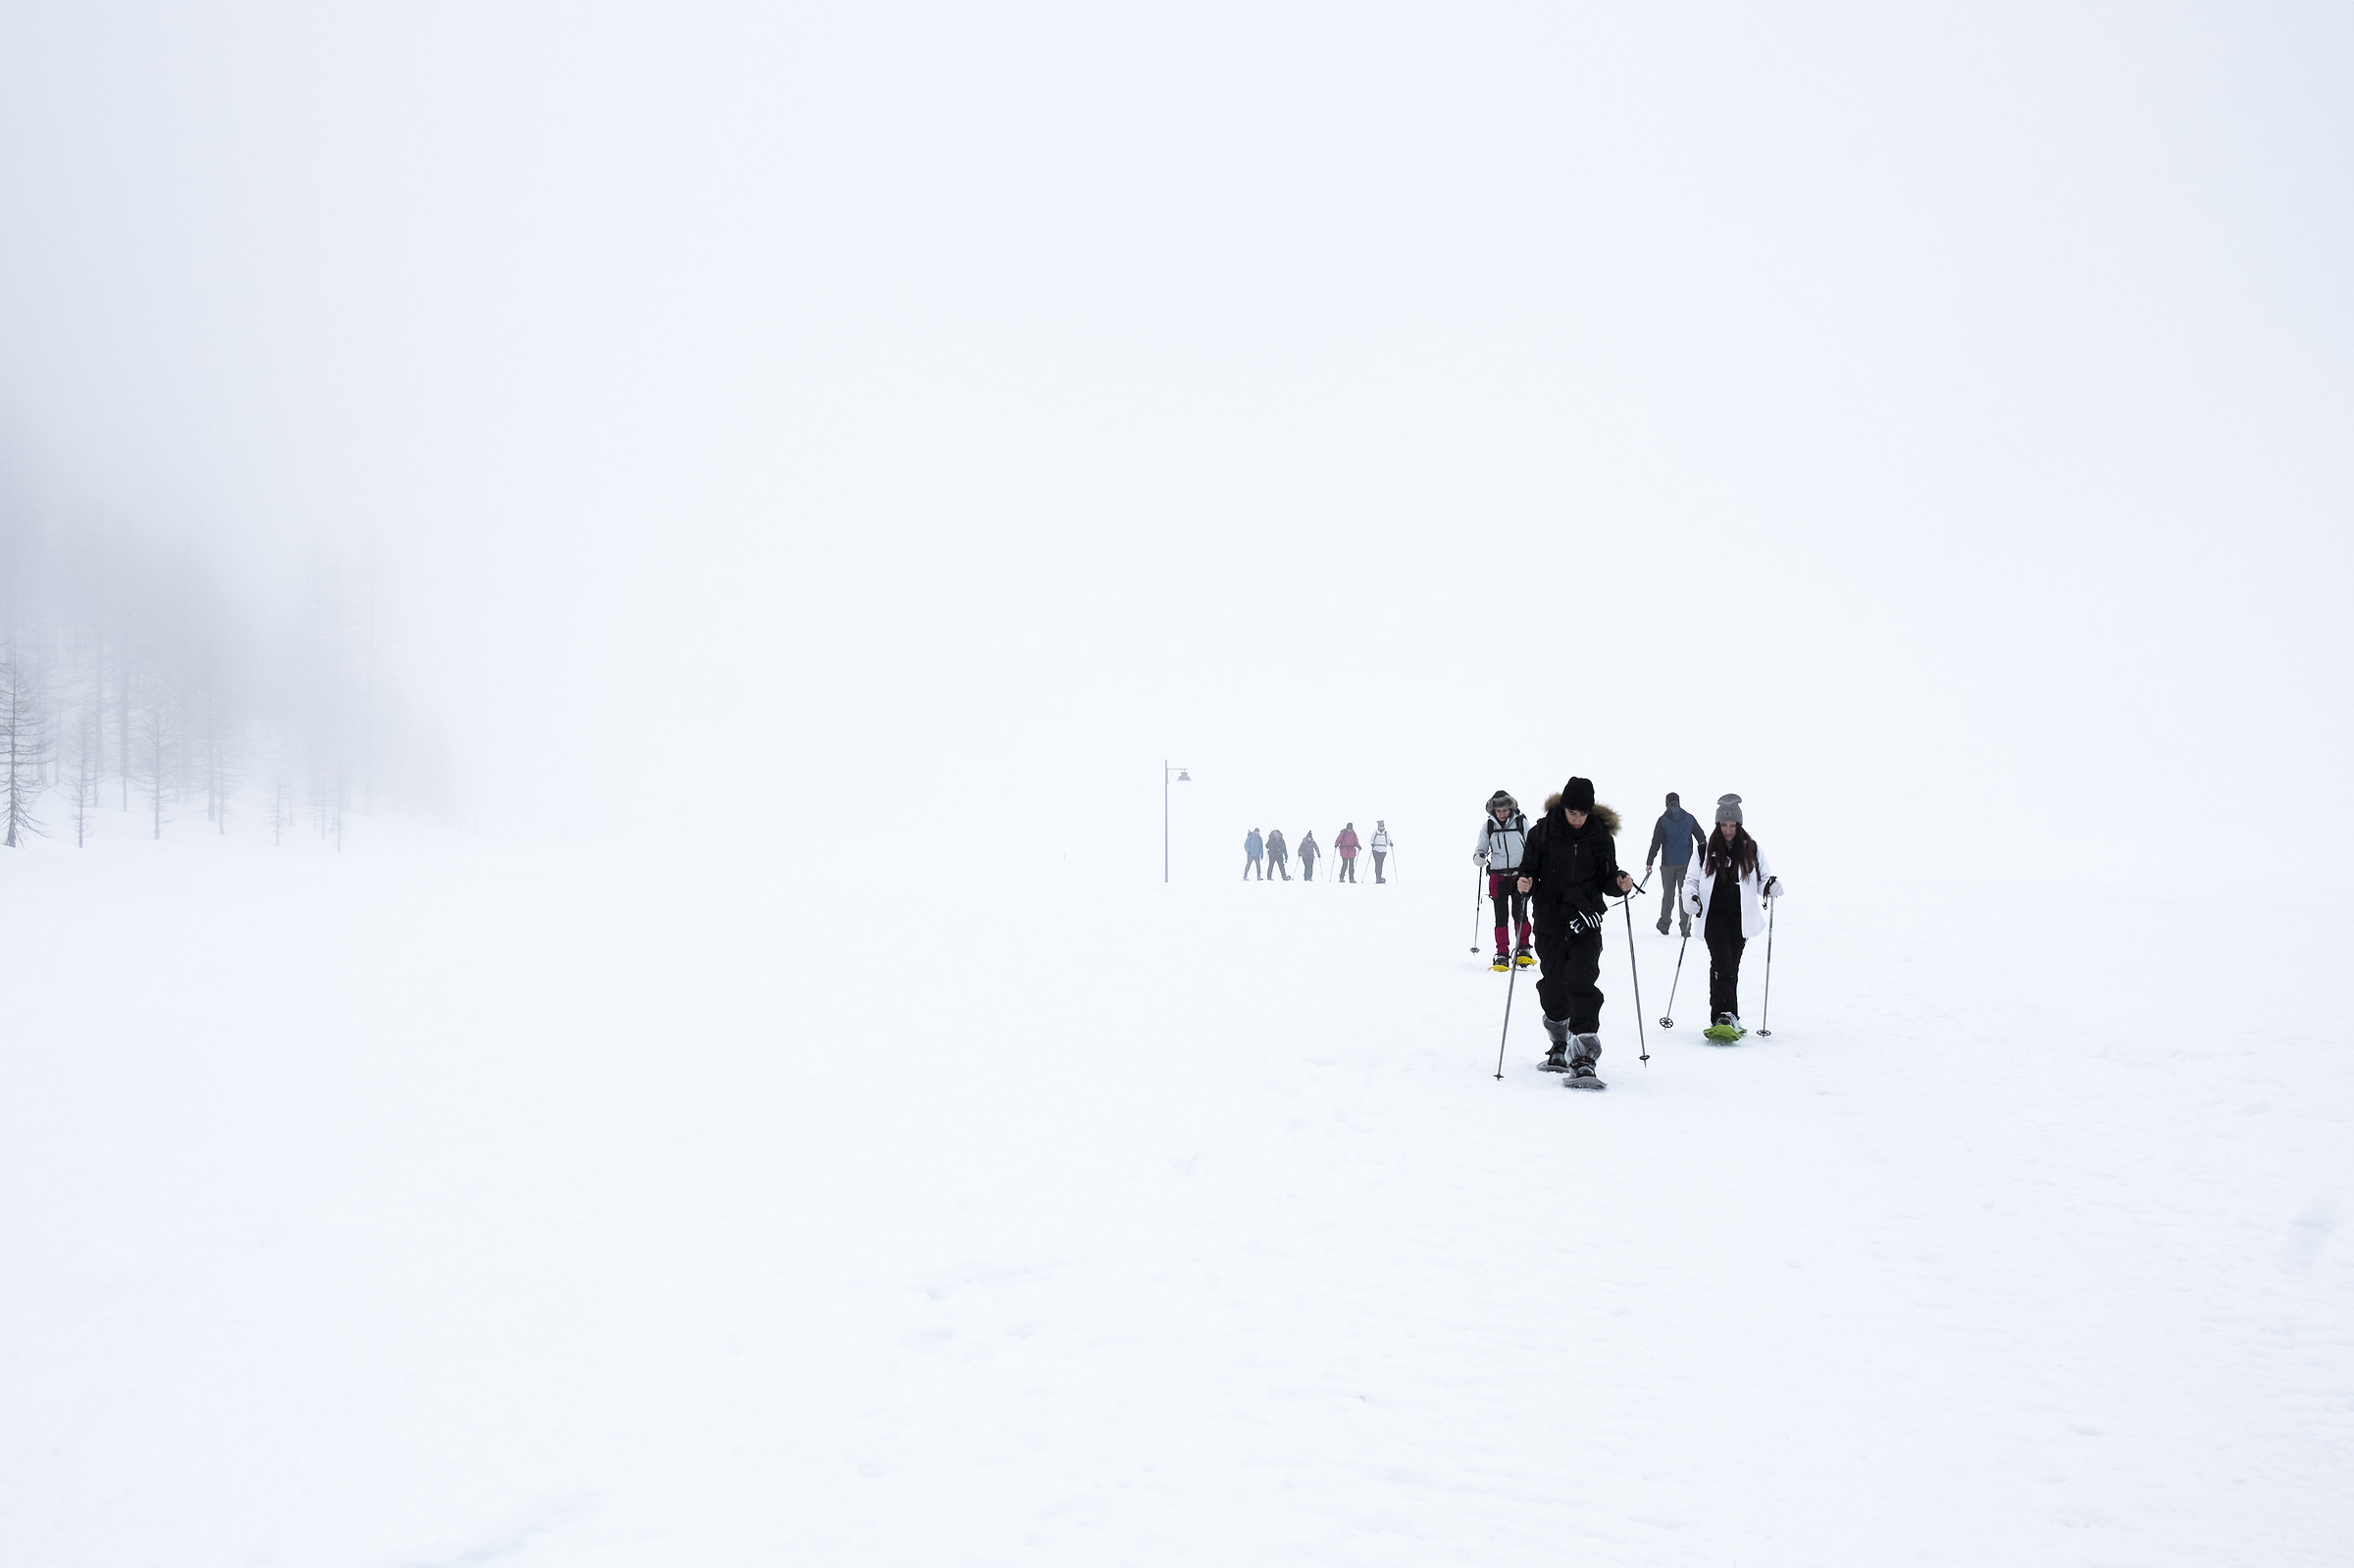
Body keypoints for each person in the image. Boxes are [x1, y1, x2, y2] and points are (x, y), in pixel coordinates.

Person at [1514, 777, 1634, 1087]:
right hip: (1550, 920)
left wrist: (1620, 883)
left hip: (1586, 919)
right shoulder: (1541, 832)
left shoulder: (1600, 837)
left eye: (1582, 813)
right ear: (1564, 808)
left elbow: (1607, 879)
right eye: (1572, 813)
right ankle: (1559, 1043)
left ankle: (1583, 1058)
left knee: (1583, 984)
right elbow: (1528, 869)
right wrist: (1524, 881)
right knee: (1553, 985)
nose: (1577, 819)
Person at [1678, 794, 1784, 1041]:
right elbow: (1691, 880)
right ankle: (1721, 1016)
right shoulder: (1704, 850)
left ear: (1739, 826)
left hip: (1740, 917)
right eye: (1724, 825)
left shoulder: (1752, 848)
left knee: (1731, 967)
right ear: (1717, 825)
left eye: (1732, 825)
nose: (1728, 830)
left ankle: (1730, 1016)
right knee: (1722, 963)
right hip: (1713, 915)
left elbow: (1762, 878)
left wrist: (1771, 886)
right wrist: (1690, 897)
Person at [1473, 790, 1533, 971]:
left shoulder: (1522, 822)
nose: (1501, 813)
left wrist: (1532, 868)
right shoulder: (1488, 826)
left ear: (1510, 808)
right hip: (1498, 876)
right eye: (1498, 810)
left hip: (1518, 875)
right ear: (1493, 810)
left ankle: (1523, 949)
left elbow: (1531, 846)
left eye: (1504, 810)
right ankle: (1502, 952)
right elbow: (1481, 847)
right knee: (1501, 916)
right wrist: (1479, 856)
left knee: (1519, 913)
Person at [1645, 791, 1708, 936]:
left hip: (1667, 864)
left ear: (1667, 803)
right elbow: (1701, 837)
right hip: (1687, 863)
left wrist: (1649, 862)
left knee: (1668, 894)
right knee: (1684, 894)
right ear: (1679, 802)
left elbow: (1656, 843)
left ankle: (1664, 924)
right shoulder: (1689, 818)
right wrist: (1703, 858)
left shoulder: (1662, 820)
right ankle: (1685, 927)